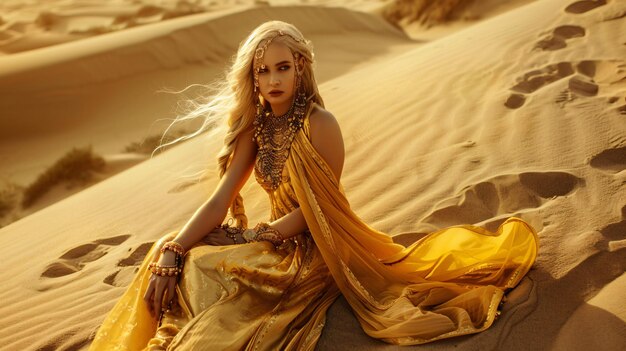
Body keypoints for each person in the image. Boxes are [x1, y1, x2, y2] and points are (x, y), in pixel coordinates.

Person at [89, 20, 539, 350]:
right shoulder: (255, 129)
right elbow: (221, 197)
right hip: (269, 244)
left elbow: (319, 211)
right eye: (261, 72)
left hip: (311, 249)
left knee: (212, 271)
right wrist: (175, 248)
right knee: (173, 255)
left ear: (301, 67)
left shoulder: (320, 124)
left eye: (281, 68)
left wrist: (252, 235)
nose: (271, 80)